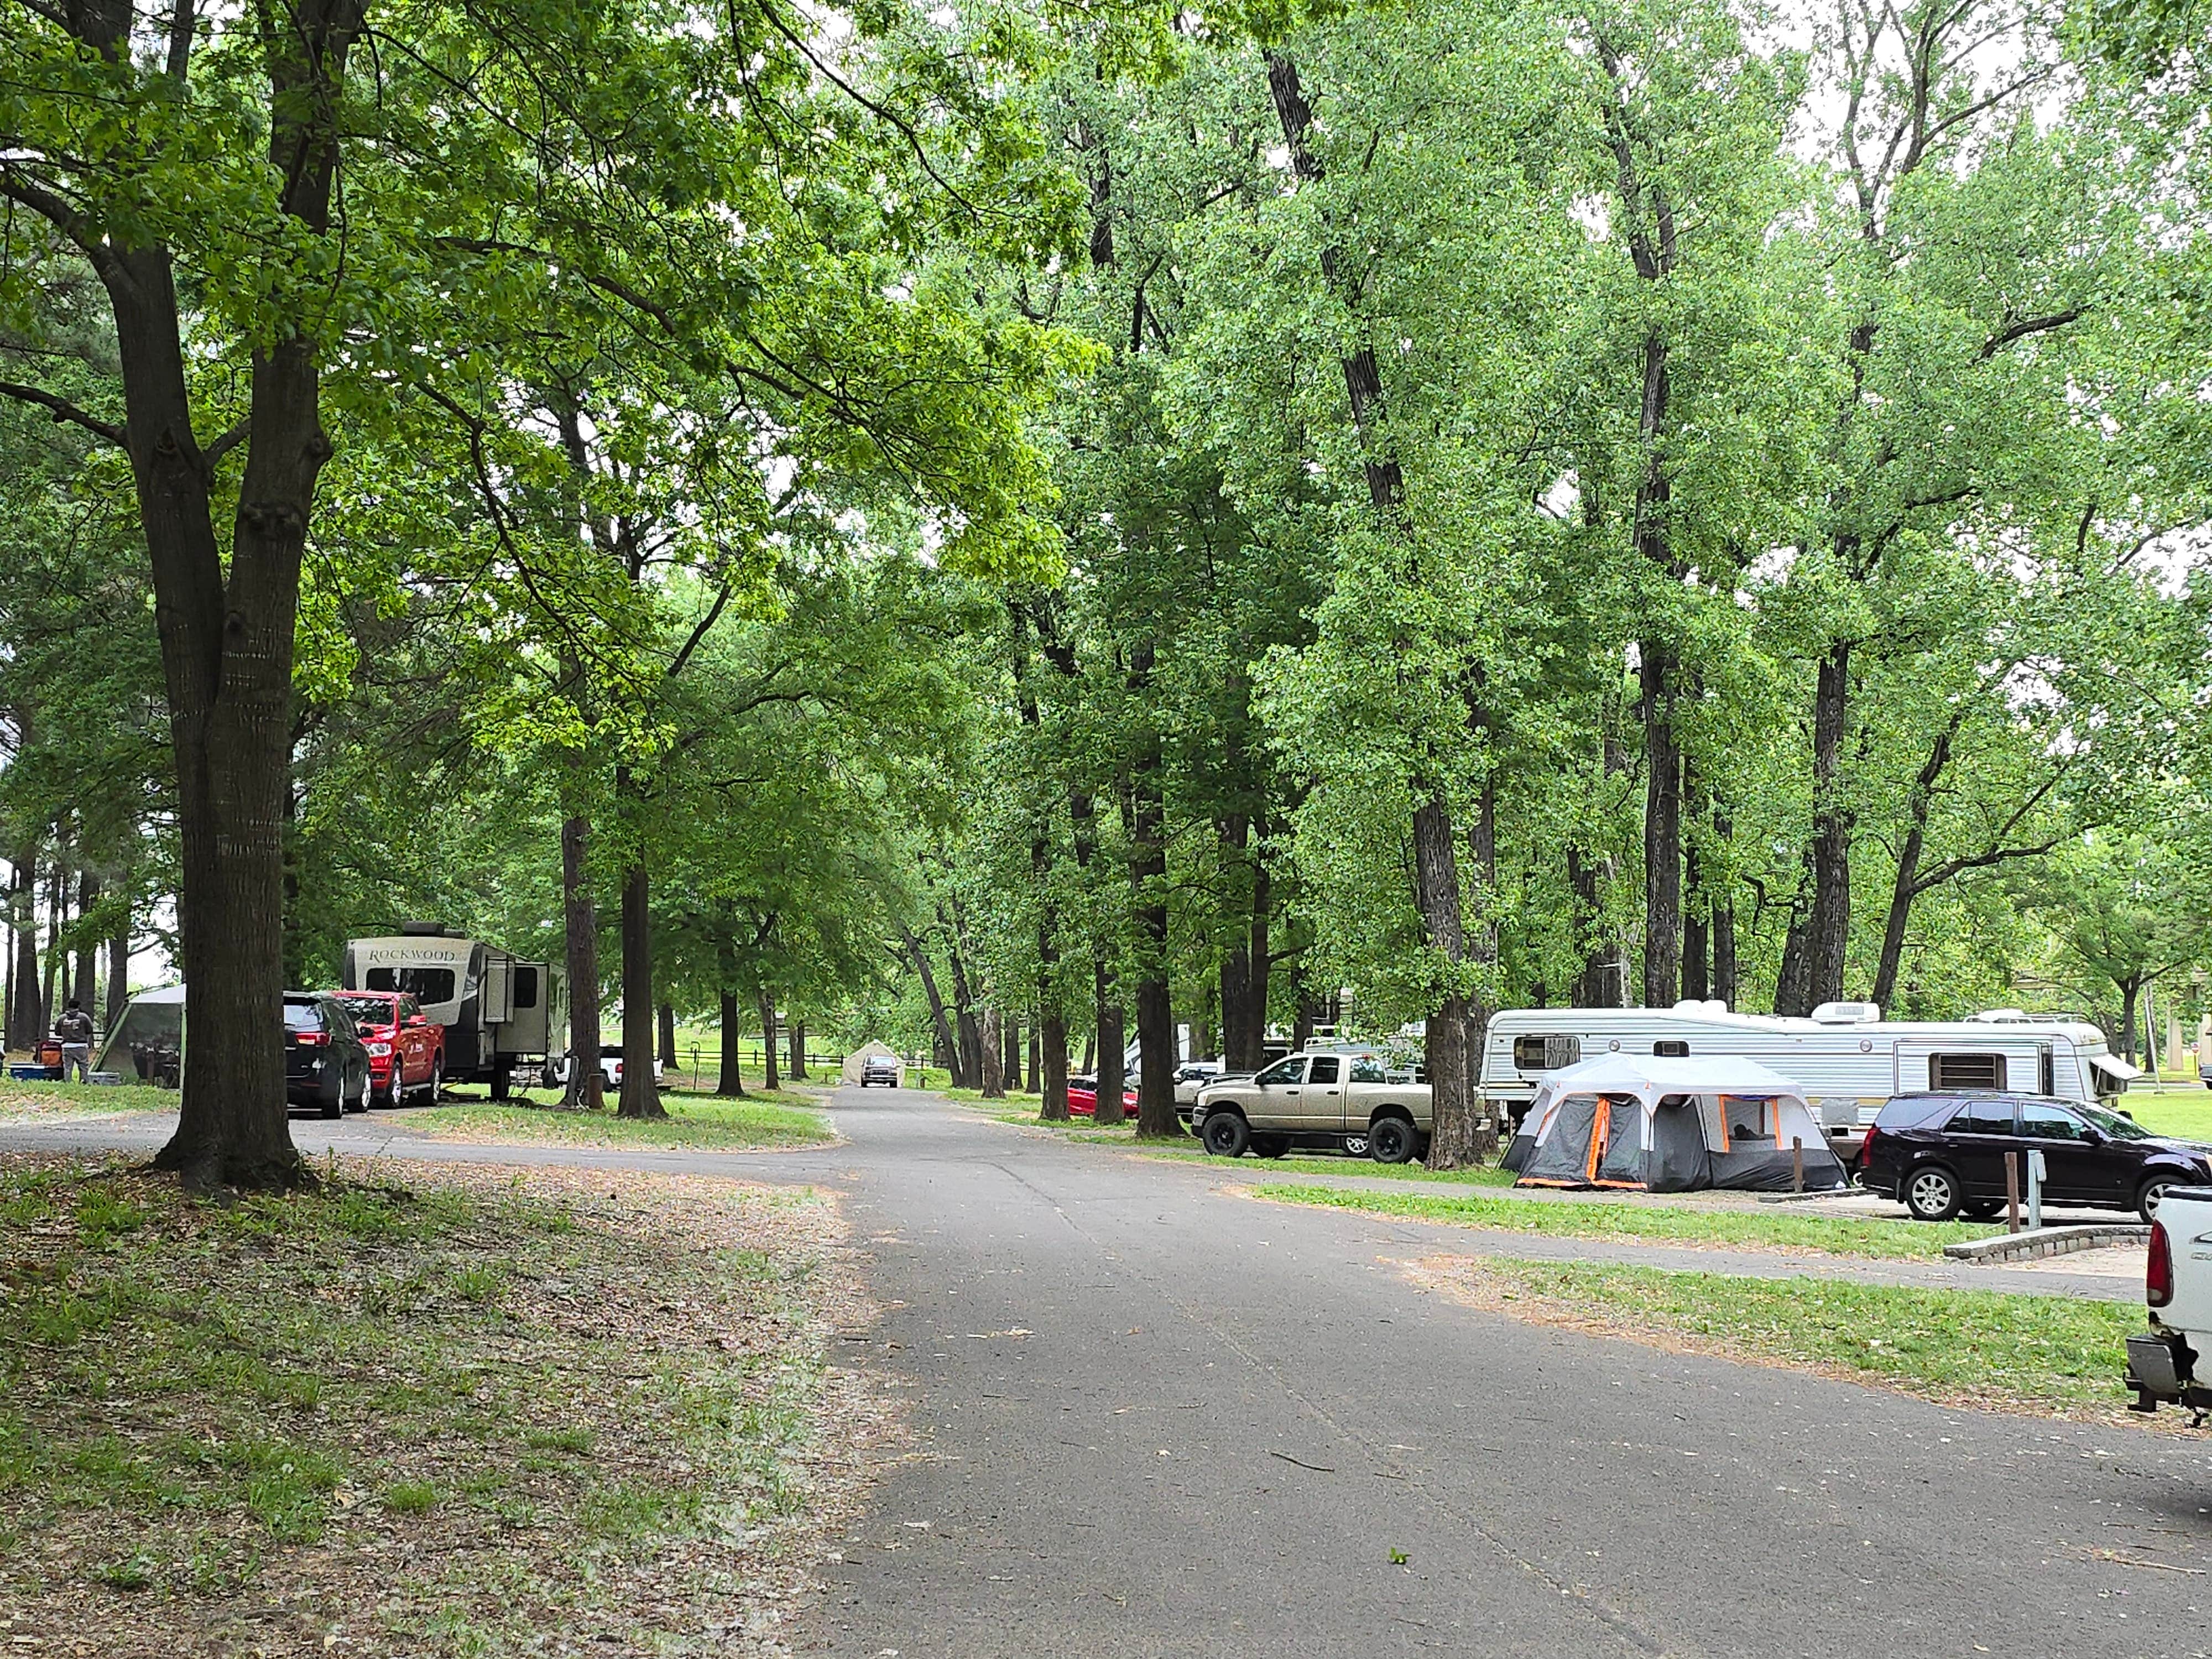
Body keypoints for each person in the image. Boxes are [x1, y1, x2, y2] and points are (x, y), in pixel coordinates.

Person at [55, 999, 96, 1083]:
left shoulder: (62, 1018)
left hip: (67, 1046)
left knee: (68, 1067)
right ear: (78, 1006)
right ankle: (84, 1082)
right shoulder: (84, 1017)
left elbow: (57, 1032)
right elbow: (90, 1030)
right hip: (81, 1045)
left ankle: (68, 1081)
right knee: (83, 1065)